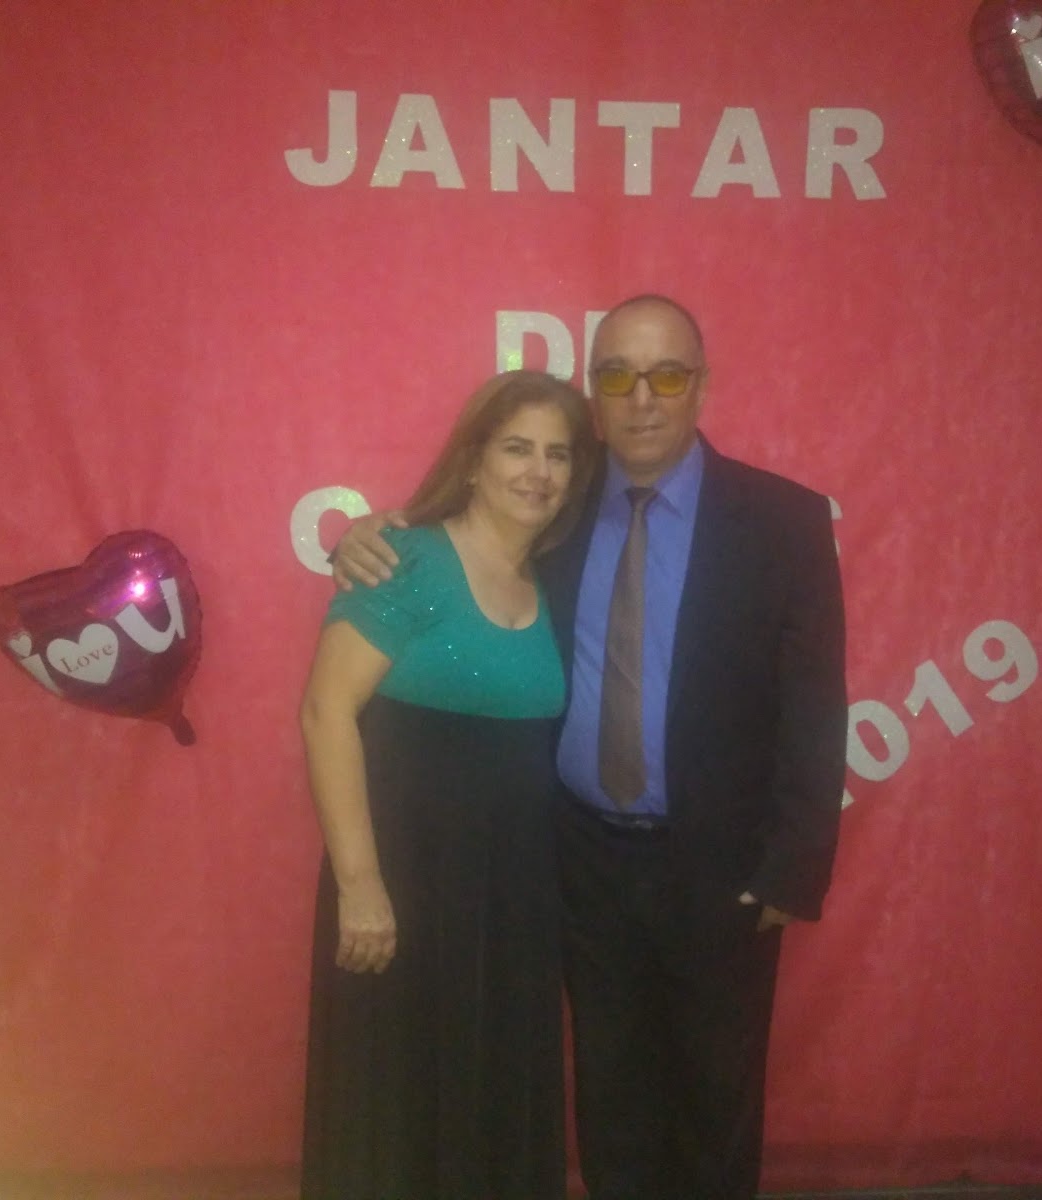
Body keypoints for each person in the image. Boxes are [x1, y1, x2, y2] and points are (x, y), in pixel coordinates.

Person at [332, 294, 848, 1200]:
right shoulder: (556, 507)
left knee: (716, 1102)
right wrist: (369, 535)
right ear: (595, 392)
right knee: (609, 1099)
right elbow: (461, 538)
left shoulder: (782, 521)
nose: (641, 398)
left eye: (666, 376)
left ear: (701, 386)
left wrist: (790, 870)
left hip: (723, 870)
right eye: (617, 375)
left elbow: (814, 706)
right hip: (575, 865)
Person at [298, 369, 599, 1200]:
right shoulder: (409, 560)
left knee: (492, 1098)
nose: (538, 471)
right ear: (473, 460)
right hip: (404, 886)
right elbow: (326, 713)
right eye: (517, 448)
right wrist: (361, 885)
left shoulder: (556, 583)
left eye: (558, 455)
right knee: (395, 1099)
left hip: (514, 900)